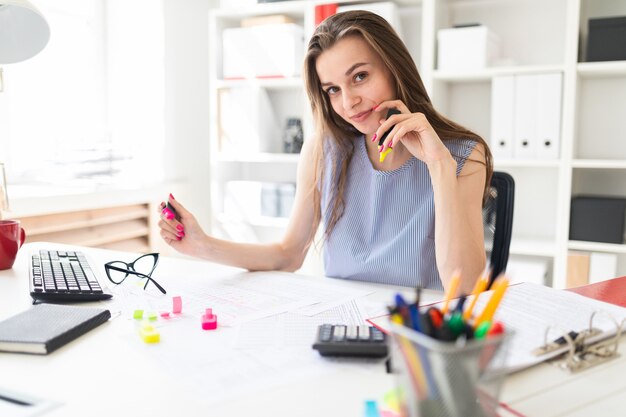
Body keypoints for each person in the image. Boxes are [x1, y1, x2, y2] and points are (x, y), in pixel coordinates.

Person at [158, 10, 493, 293]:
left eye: (360, 77)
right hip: (342, 322)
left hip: (417, 329)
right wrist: (201, 244)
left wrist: (439, 166)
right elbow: (288, 255)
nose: (348, 103)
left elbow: (463, 288)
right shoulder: (324, 150)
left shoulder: (463, 155)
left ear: (395, 68)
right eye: (333, 89)